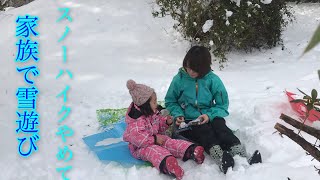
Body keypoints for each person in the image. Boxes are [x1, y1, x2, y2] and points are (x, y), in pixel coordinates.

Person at [165, 46, 262, 174]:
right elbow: (170, 101)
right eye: (188, 67)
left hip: (210, 115)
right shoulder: (179, 79)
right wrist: (178, 114)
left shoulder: (212, 80)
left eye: (195, 69)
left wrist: (209, 115)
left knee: (221, 128)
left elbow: (222, 105)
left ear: (204, 68)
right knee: (205, 132)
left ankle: (241, 155)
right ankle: (221, 159)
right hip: (190, 120)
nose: (191, 72)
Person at [123, 79, 205, 180]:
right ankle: (168, 164)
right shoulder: (135, 122)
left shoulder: (152, 112)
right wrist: (154, 139)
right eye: (154, 102)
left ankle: (191, 150)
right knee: (154, 151)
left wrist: (166, 122)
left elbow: (158, 125)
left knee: (170, 142)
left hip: (156, 138)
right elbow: (139, 140)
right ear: (145, 104)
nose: (156, 104)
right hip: (141, 147)